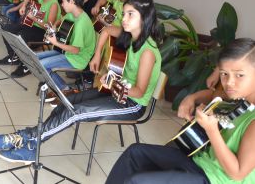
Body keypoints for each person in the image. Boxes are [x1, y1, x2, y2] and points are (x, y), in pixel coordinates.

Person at [0, 0, 162, 163]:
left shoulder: (147, 51)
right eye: (124, 13)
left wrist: (111, 82)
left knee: (77, 112)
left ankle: (30, 142)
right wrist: (96, 56)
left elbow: (139, 92)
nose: (124, 18)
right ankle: (27, 138)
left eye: (131, 14)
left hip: (131, 104)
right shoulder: (130, 36)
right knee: (67, 100)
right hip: (114, 92)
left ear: (145, 18)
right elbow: (107, 30)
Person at [106, 37, 255, 184]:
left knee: (137, 181)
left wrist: (211, 129)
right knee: (135, 153)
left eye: (239, 75)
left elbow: (237, 174)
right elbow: (217, 95)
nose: (229, 82)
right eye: (224, 74)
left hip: (214, 179)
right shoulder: (240, 96)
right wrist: (192, 97)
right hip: (200, 163)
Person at [39, 0, 96, 101]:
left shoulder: (81, 23)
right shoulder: (73, 13)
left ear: (71, 1)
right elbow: (62, 19)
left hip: (78, 59)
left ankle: (65, 89)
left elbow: (76, 50)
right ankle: (57, 86)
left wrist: (56, 43)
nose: (61, 4)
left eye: (63, 1)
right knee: (35, 58)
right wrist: (55, 26)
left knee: (42, 65)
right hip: (67, 53)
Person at [0, 0, 61, 78]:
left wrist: (34, 18)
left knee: (21, 36)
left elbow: (48, 27)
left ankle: (27, 66)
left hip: (43, 32)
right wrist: (23, 5)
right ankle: (14, 57)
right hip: (33, 26)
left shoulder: (53, 4)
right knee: (6, 29)